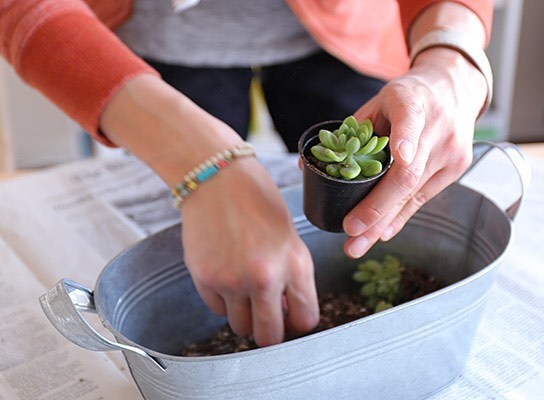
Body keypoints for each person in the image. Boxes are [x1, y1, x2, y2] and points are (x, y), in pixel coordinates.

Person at [1, 0, 493, 347]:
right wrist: (199, 159)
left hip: (347, 34)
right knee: (211, 247)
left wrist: (453, 54)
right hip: (159, 42)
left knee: (378, 213)